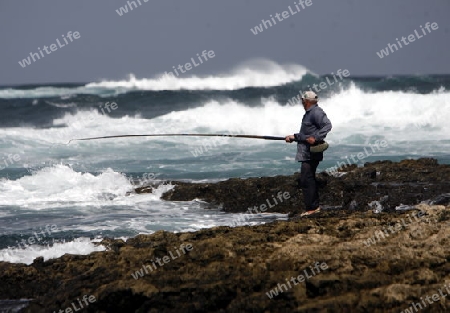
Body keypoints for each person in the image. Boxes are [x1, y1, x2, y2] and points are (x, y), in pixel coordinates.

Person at [285, 91, 332, 217]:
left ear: (307, 101)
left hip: (311, 152)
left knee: (307, 178)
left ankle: (313, 208)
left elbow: (327, 125)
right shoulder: (308, 114)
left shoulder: (316, 112)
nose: (301, 102)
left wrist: (316, 138)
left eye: (303, 100)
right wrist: (293, 137)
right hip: (306, 151)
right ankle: (312, 207)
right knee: (307, 177)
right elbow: (305, 134)